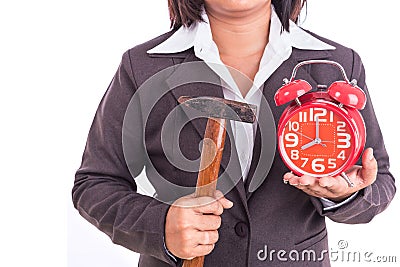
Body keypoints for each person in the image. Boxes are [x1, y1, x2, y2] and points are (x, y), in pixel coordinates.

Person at [72, 0, 396, 266]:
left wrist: (344, 192)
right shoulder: (142, 66)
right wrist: (162, 225)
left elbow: (380, 181)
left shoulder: (336, 63)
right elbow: (95, 184)